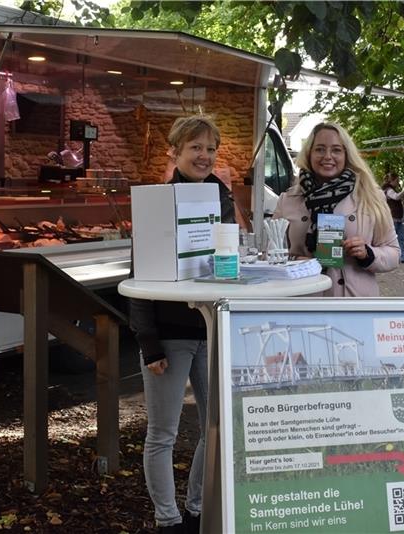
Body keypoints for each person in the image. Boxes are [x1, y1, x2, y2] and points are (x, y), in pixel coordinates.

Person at [128, 115, 234, 534]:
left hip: (210, 332)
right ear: (175, 152)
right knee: (163, 434)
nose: (204, 156)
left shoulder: (222, 198)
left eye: (210, 148)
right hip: (168, 337)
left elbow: (228, 264)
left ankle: (195, 508)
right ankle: (167, 519)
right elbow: (139, 276)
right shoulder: (158, 201)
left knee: (216, 428)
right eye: (196, 147)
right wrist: (147, 341)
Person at [273, 122, 399, 296]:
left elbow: (393, 252)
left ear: (347, 155)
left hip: (353, 304)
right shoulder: (288, 200)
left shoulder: (370, 197)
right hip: (303, 303)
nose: (327, 156)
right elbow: (269, 253)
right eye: (320, 149)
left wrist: (367, 253)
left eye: (336, 150)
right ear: (309, 154)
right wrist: (293, 261)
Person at [382, 172, 404, 263]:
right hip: (393, 218)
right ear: (393, 180)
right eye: (397, 180)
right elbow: (396, 197)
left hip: (397, 217)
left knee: (400, 238)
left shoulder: (391, 189)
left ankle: (403, 256)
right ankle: (388, 256)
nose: (398, 182)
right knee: (392, 238)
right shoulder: (389, 190)